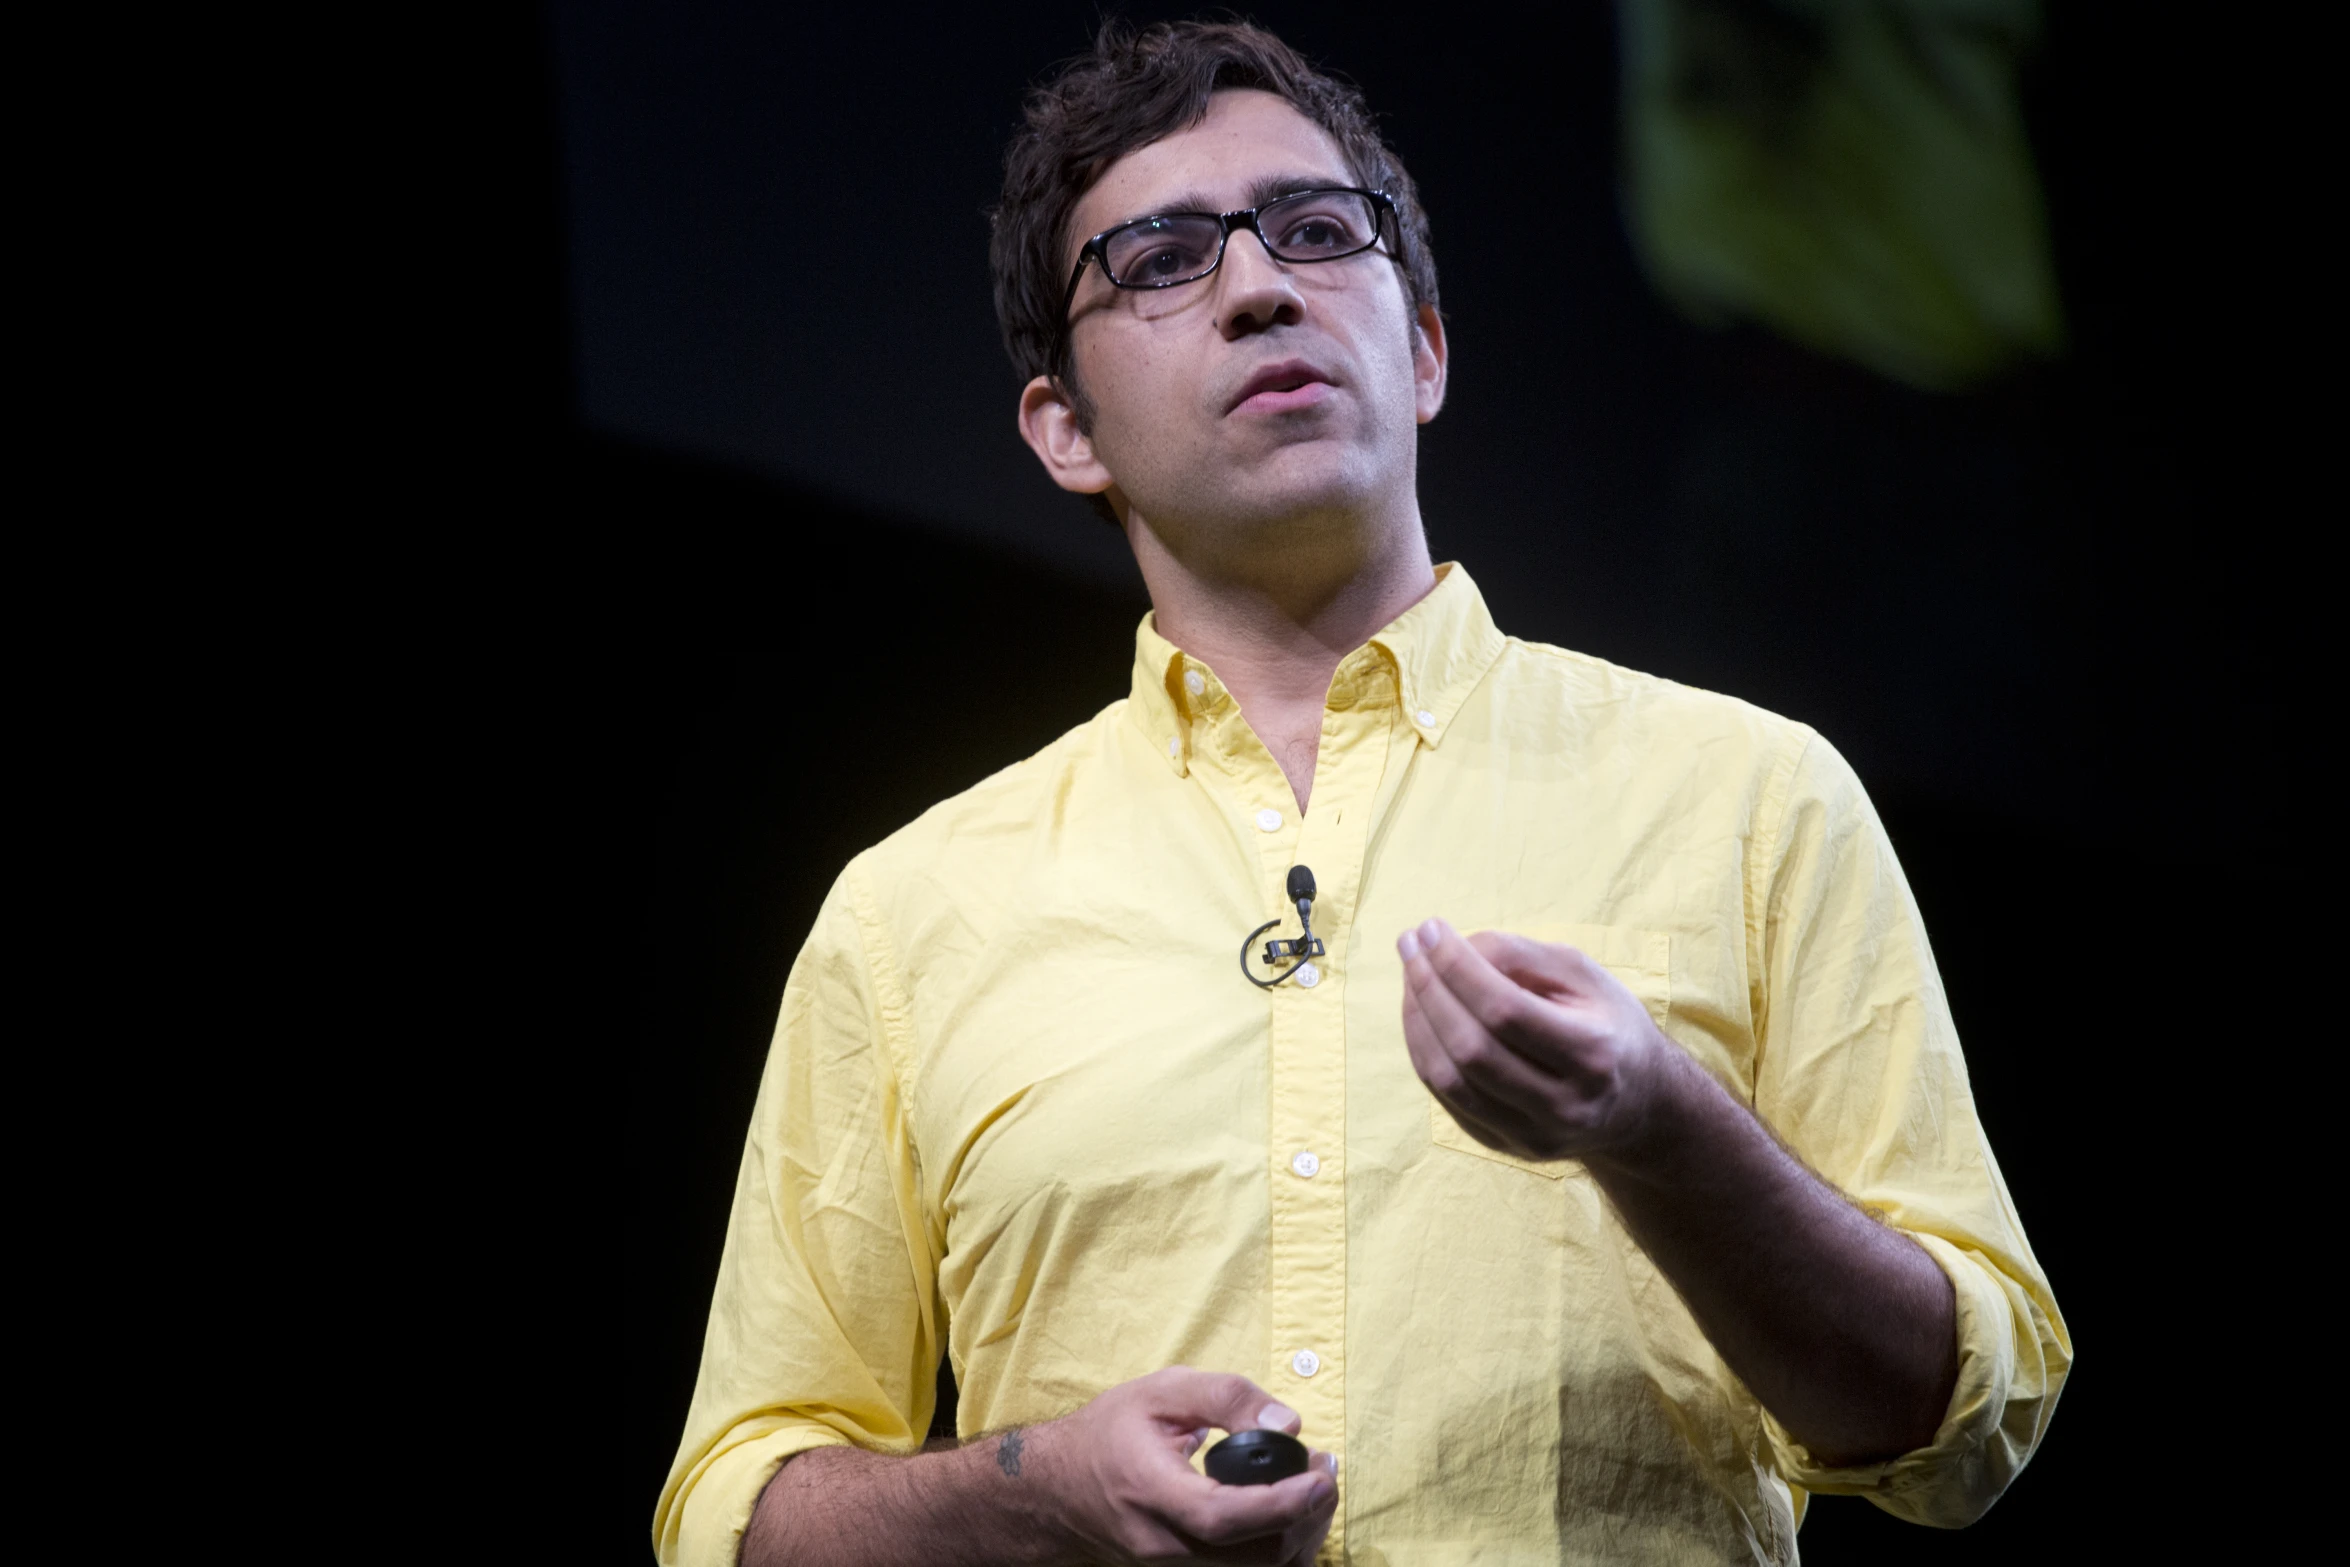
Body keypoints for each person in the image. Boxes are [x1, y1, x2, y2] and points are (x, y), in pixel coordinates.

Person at [653, 19, 2068, 1566]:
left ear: (1422, 349)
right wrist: (1032, 1487)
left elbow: (1961, 1435)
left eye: (1319, 234)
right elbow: (738, 1509)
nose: (1262, 285)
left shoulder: (1747, 794)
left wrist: (1657, 1125)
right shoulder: (913, 905)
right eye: (1160, 262)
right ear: (1065, 430)